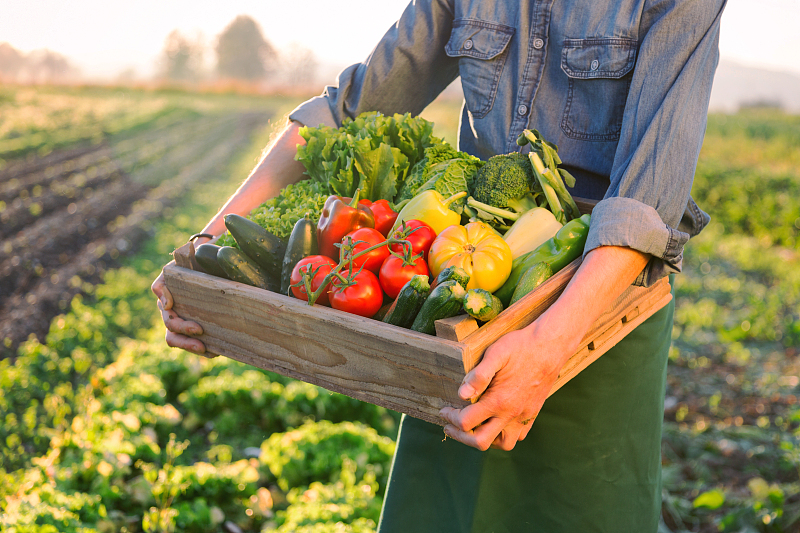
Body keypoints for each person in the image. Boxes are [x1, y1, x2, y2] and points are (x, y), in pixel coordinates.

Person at [151, 0, 726, 530]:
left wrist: (549, 350)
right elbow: (350, 109)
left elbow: (647, 198)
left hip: (601, 309)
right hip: (464, 315)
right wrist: (205, 245)